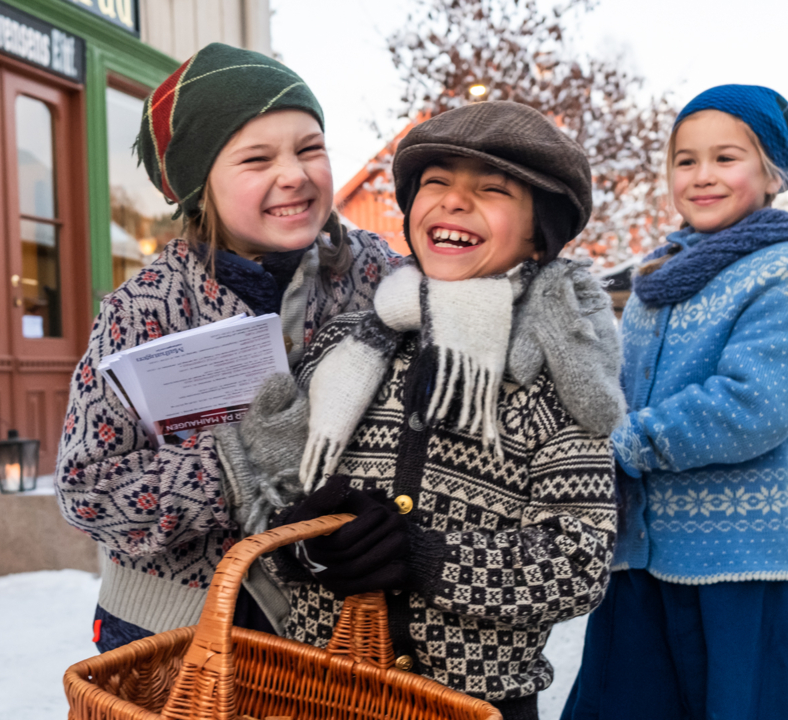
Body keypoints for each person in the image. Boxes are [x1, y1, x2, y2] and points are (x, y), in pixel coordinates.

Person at [222, 102, 624, 720]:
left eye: (491, 190)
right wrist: (308, 547)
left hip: (476, 703)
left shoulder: (552, 378)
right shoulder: (345, 349)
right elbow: (277, 503)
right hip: (326, 689)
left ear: (539, 236)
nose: (454, 202)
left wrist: (419, 555)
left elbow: (578, 564)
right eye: (436, 183)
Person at [53, 43, 400, 653]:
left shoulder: (379, 277)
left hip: (344, 627)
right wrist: (245, 463)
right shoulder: (144, 310)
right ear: (199, 186)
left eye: (309, 148)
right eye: (256, 158)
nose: (293, 173)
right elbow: (90, 489)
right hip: (178, 635)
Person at [563, 85, 788, 720]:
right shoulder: (658, 276)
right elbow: (616, 386)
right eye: (685, 160)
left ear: (772, 172)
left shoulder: (783, 269)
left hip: (736, 561)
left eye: (726, 158)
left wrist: (624, 444)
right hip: (637, 556)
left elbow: (752, 406)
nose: (702, 176)